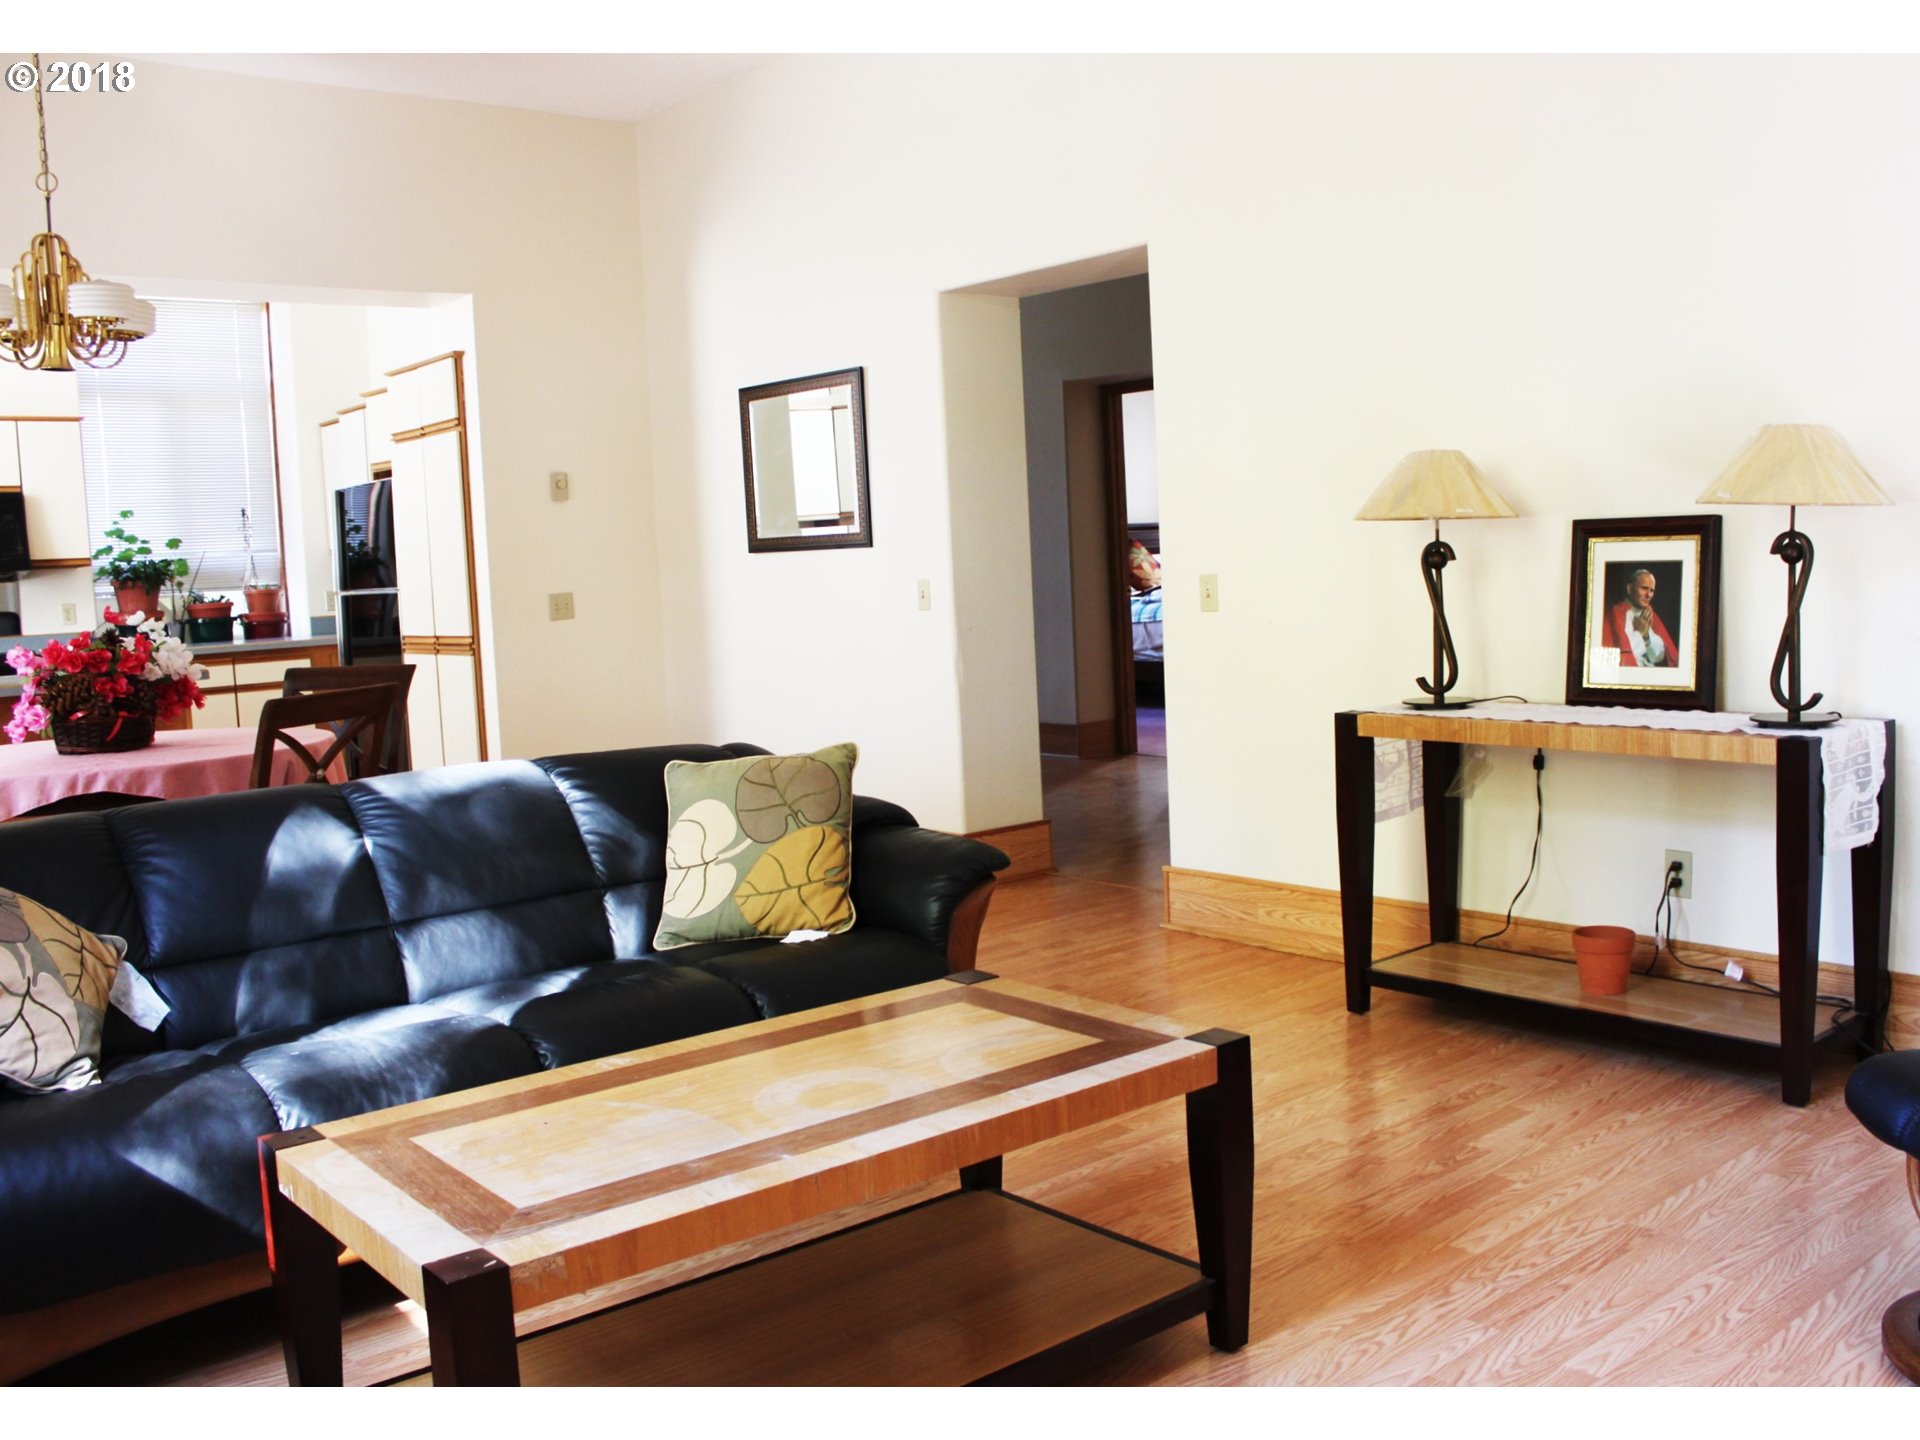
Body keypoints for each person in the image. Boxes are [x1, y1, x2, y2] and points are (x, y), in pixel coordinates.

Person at [1602, 568, 1678, 667]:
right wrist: (1639, 633)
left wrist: (1646, 636)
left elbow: (1659, 657)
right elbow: (1619, 656)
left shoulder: (1652, 615)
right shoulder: (1615, 614)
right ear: (1629, 588)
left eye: (1652, 590)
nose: (1649, 595)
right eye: (1644, 588)